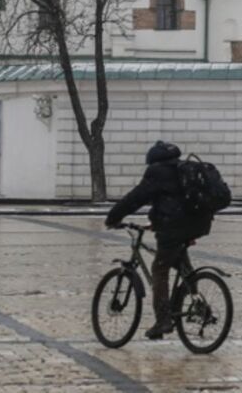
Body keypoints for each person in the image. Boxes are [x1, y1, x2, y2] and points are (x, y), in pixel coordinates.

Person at [105, 140, 194, 339]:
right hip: (192, 224)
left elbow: (136, 198)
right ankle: (196, 299)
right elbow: (172, 200)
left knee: (159, 269)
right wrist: (157, 220)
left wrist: (113, 217)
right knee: (181, 264)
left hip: (173, 228)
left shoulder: (158, 172)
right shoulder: (183, 169)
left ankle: (163, 321)